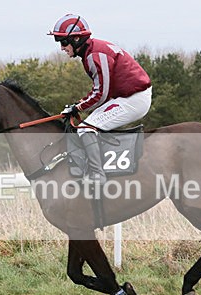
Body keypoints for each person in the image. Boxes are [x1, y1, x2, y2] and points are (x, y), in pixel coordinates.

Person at [48, 13, 152, 184]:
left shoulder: (93, 55)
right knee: (89, 125)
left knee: (85, 128)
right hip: (127, 96)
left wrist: (78, 107)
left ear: (75, 40)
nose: (61, 47)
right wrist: (77, 105)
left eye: (63, 42)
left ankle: (97, 175)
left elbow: (101, 94)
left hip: (134, 99)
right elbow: (101, 91)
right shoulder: (91, 51)